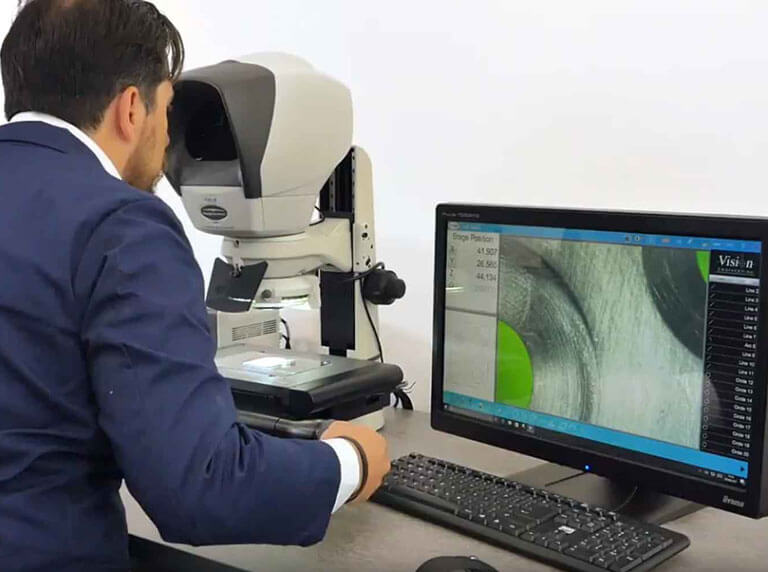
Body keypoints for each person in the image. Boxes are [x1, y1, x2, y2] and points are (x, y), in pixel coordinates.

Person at [0, 1, 390, 570]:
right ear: (133, 108)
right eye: (169, 108)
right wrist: (350, 462)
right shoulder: (121, 224)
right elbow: (199, 486)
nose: (169, 139)